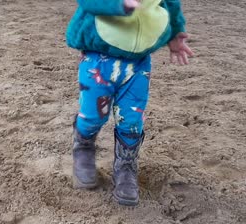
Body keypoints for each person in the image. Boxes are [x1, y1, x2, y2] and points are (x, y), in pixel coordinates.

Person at [66, 0, 194, 206]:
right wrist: (116, 4)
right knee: (94, 115)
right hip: (97, 58)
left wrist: (175, 33)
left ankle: (125, 166)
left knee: (132, 120)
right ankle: (83, 147)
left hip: (138, 64)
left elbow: (170, 3)